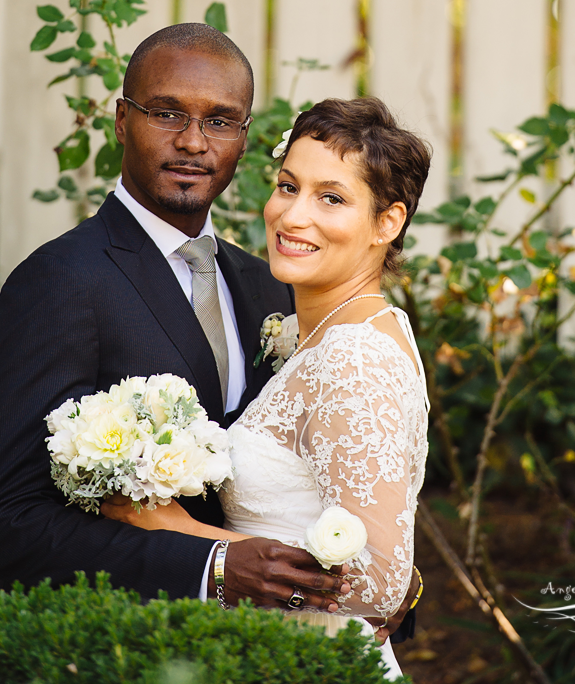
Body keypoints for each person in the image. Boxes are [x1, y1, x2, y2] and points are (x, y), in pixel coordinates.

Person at [0, 24, 347, 613]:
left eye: (219, 121)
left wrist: (378, 580)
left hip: (265, 643)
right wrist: (212, 567)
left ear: (244, 137)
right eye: (167, 113)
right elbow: (9, 523)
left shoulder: (270, 289)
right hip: (121, 645)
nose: (194, 143)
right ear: (122, 121)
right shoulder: (59, 281)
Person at [102, 96, 431, 679]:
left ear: (389, 222)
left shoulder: (354, 357)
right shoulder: (333, 331)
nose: (293, 215)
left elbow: (380, 585)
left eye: (331, 198)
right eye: (288, 186)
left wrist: (181, 530)